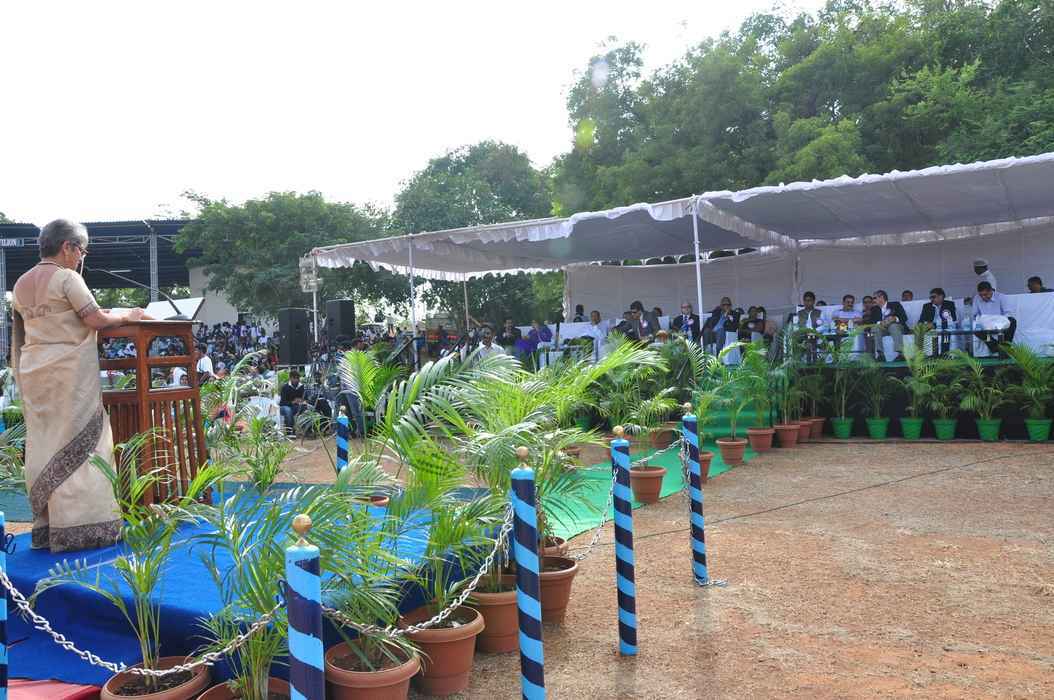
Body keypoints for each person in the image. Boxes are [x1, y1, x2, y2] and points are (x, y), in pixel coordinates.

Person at [11, 219, 152, 552]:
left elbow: (27, 332)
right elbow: (95, 319)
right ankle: (86, 527)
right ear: (67, 247)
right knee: (86, 443)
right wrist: (128, 316)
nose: (81, 258)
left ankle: (50, 527)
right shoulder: (66, 278)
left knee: (47, 443)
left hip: (34, 374)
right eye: (82, 251)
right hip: (68, 375)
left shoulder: (20, 283)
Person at [971, 281, 1016, 354]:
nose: (983, 297)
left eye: (985, 295)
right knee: (974, 326)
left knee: (1012, 321)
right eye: (981, 295)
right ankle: (995, 346)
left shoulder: (1001, 297)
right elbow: (975, 314)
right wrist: (980, 320)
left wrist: (1000, 321)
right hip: (985, 322)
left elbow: (1008, 313)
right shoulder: (976, 298)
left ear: (991, 291)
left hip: (1000, 321)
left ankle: (1006, 345)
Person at [866, 290, 908, 361]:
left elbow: (904, 317)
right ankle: (880, 355)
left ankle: (901, 354)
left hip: (896, 327)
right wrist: (881, 323)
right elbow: (871, 322)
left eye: (875, 298)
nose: (873, 300)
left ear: (881, 297)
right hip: (883, 329)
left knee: (893, 326)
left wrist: (894, 318)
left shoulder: (895, 304)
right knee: (875, 328)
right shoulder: (874, 309)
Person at [919, 287, 957, 355]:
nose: (931, 299)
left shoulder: (949, 304)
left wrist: (935, 325)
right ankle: (933, 355)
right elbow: (921, 320)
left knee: (946, 332)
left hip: (944, 327)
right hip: (931, 328)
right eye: (930, 297)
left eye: (933, 297)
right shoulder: (927, 306)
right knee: (929, 332)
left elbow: (953, 319)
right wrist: (925, 324)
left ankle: (945, 354)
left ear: (941, 296)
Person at [279, 369, 307, 434]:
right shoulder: (285, 387)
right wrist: (292, 402)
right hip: (285, 406)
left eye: (298, 378)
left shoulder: (301, 387)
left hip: (296, 406)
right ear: (290, 378)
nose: (296, 380)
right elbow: (282, 402)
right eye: (294, 378)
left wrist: (302, 400)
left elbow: (305, 398)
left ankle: (307, 430)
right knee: (288, 411)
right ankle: (290, 431)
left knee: (306, 408)